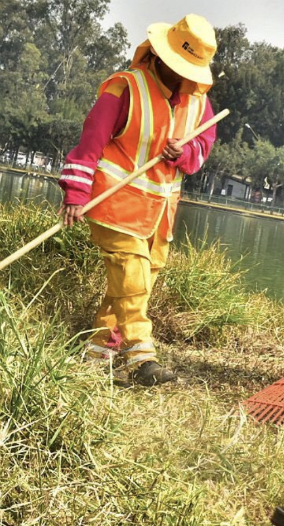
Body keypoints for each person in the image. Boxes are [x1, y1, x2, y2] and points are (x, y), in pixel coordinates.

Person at [57, 14, 219, 387]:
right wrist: (76, 193)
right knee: (131, 275)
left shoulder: (200, 102)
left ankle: (98, 350)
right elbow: (91, 141)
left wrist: (183, 152)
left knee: (136, 282)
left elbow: (202, 147)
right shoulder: (126, 87)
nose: (190, 78)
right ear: (163, 59)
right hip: (116, 202)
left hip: (161, 212)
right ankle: (142, 356)